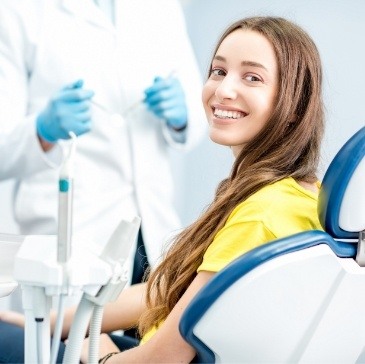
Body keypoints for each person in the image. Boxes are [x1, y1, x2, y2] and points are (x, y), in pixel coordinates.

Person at [0, 15, 325, 363]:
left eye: (252, 77)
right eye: (218, 71)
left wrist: (100, 356)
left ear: (294, 103)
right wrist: (34, 322)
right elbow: (165, 293)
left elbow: (162, 358)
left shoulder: (261, 214)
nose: (223, 89)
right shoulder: (294, 194)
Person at [0, 0, 206, 300]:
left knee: (147, 336)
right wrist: (42, 130)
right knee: (73, 342)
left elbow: (200, 114)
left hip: (153, 229)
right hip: (72, 235)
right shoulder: (19, 10)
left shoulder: (163, 7)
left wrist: (183, 114)